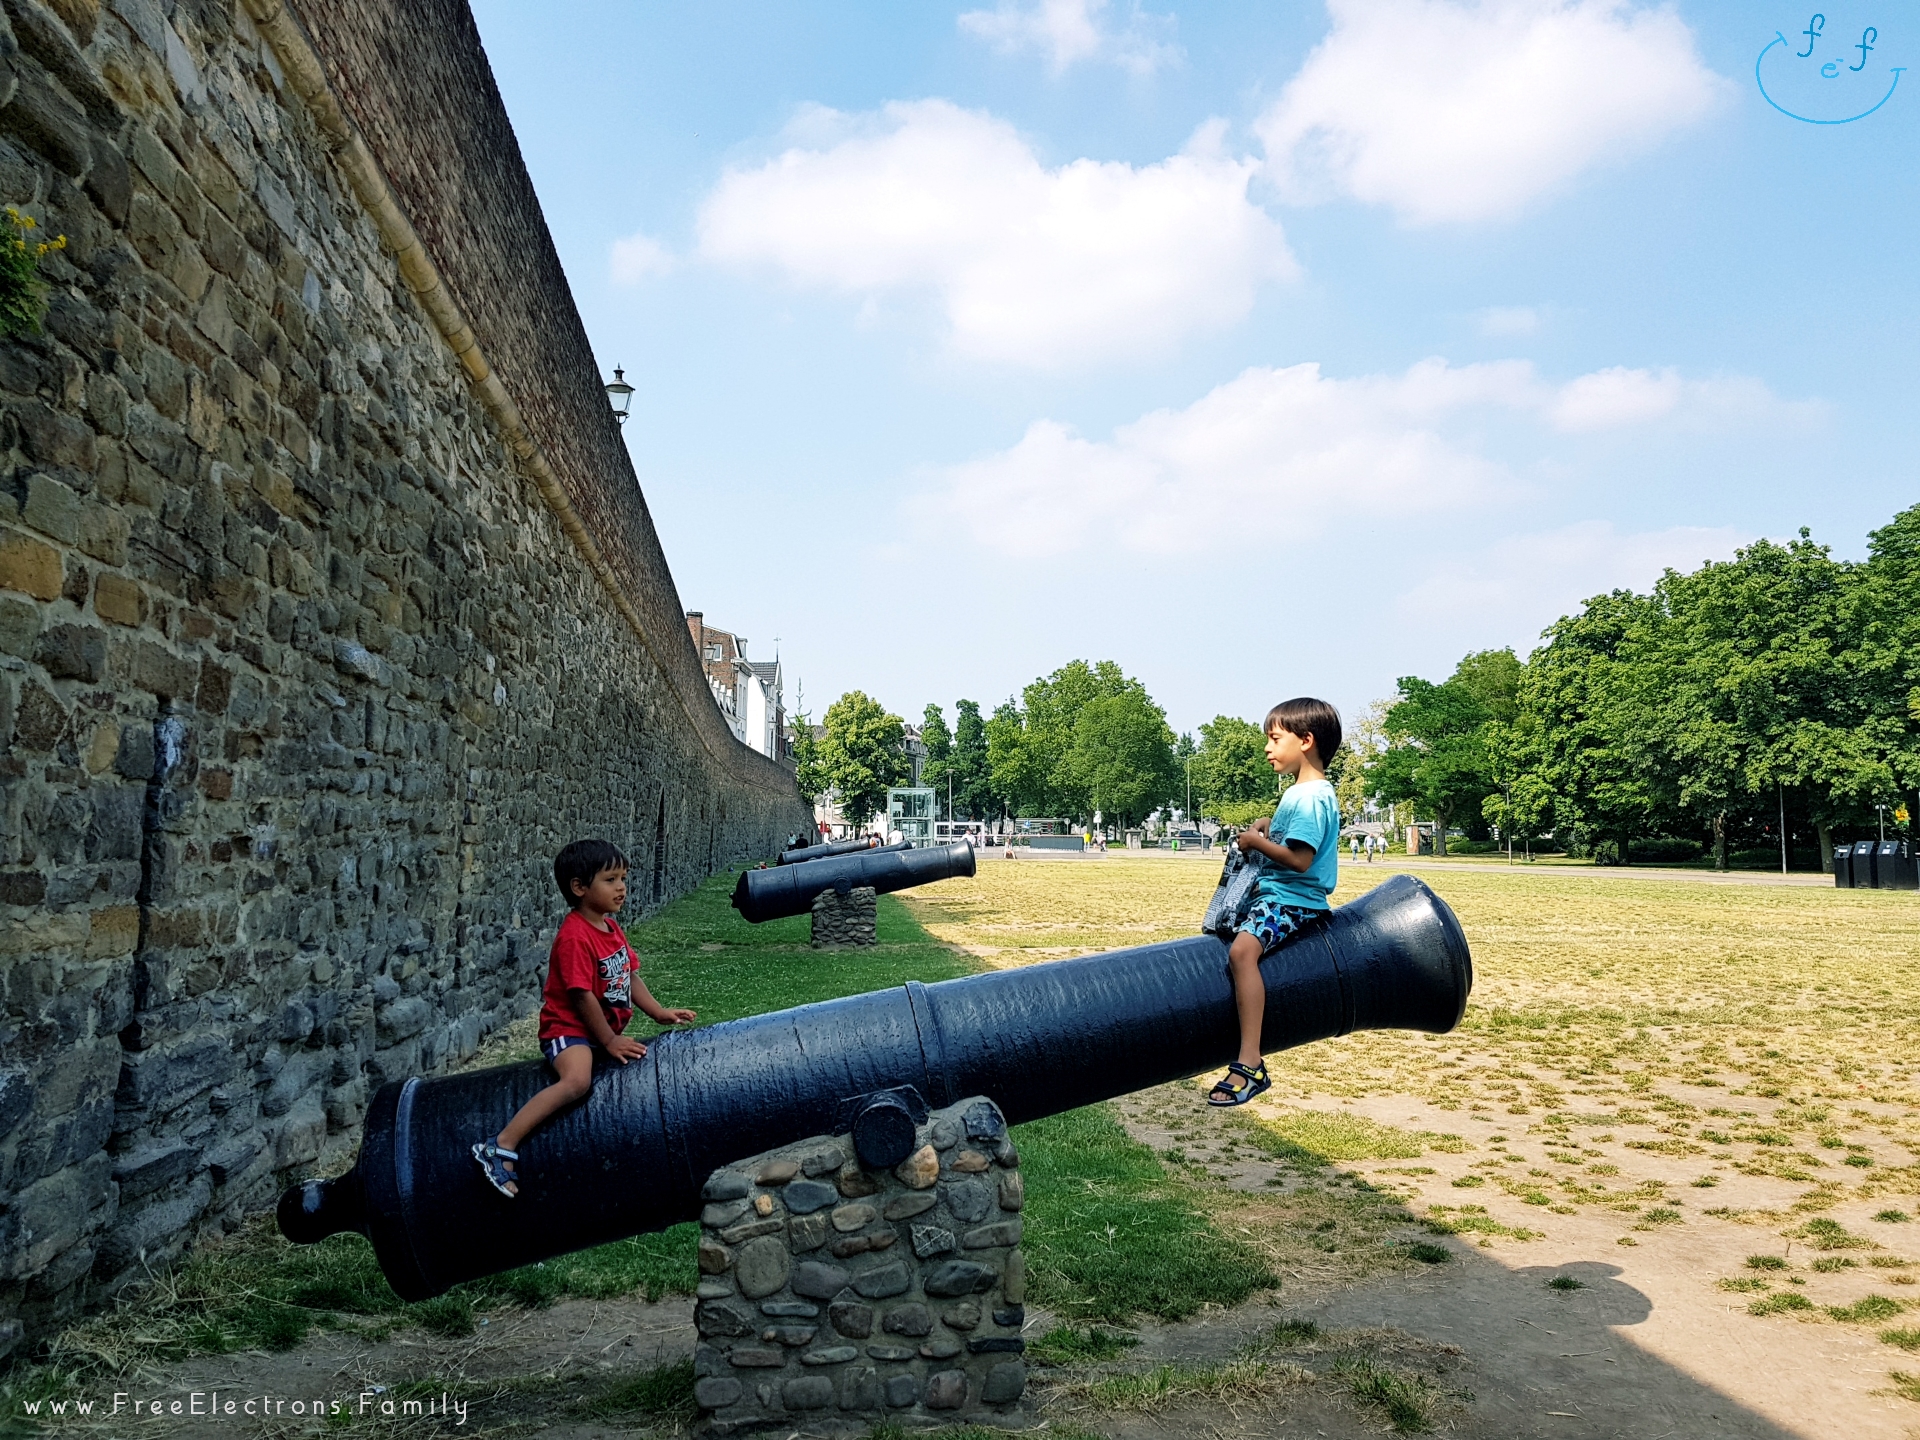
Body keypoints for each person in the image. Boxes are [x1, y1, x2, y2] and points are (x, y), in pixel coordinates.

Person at [472, 839, 697, 1196]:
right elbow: (580, 996)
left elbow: (629, 975)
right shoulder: (575, 937)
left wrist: (657, 1012)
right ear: (579, 887)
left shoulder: (610, 928)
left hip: (595, 1033)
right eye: (610, 879)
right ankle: (499, 1146)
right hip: (568, 1029)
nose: (621, 886)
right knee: (577, 1082)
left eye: (623, 877)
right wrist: (608, 1040)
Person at [1207, 698, 1343, 1107]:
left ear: (1305, 740)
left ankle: (1250, 1062)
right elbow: (1296, 843)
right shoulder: (1306, 794)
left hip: (1291, 900)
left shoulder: (1307, 797)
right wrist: (1269, 829)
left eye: (1274, 738)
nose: (1267, 747)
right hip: (1283, 895)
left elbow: (1301, 861)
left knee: (1242, 955)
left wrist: (1256, 843)